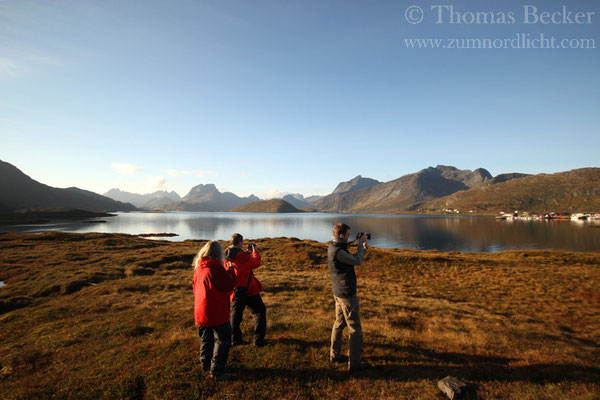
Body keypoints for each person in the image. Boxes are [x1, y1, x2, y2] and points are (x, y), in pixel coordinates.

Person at [328, 222, 370, 373]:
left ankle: (334, 355)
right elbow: (356, 261)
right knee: (355, 329)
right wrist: (361, 245)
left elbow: (346, 254)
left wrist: (357, 242)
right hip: (346, 294)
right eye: (347, 235)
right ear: (341, 235)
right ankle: (355, 365)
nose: (348, 237)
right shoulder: (338, 251)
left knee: (339, 324)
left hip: (338, 292)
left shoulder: (333, 246)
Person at [192, 240, 237, 380]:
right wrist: (231, 271)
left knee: (206, 339)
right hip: (216, 311)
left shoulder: (199, 268)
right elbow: (229, 285)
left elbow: (195, 288)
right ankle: (216, 371)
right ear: (219, 254)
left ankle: (205, 364)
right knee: (223, 340)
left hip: (201, 311)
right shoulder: (216, 269)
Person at [225, 233, 268, 347]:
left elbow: (240, 260)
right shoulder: (242, 257)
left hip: (235, 290)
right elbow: (255, 263)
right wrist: (255, 252)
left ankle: (235, 340)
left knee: (235, 317)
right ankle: (258, 341)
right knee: (260, 311)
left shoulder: (227, 255)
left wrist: (246, 252)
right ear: (240, 242)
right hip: (247, 290)